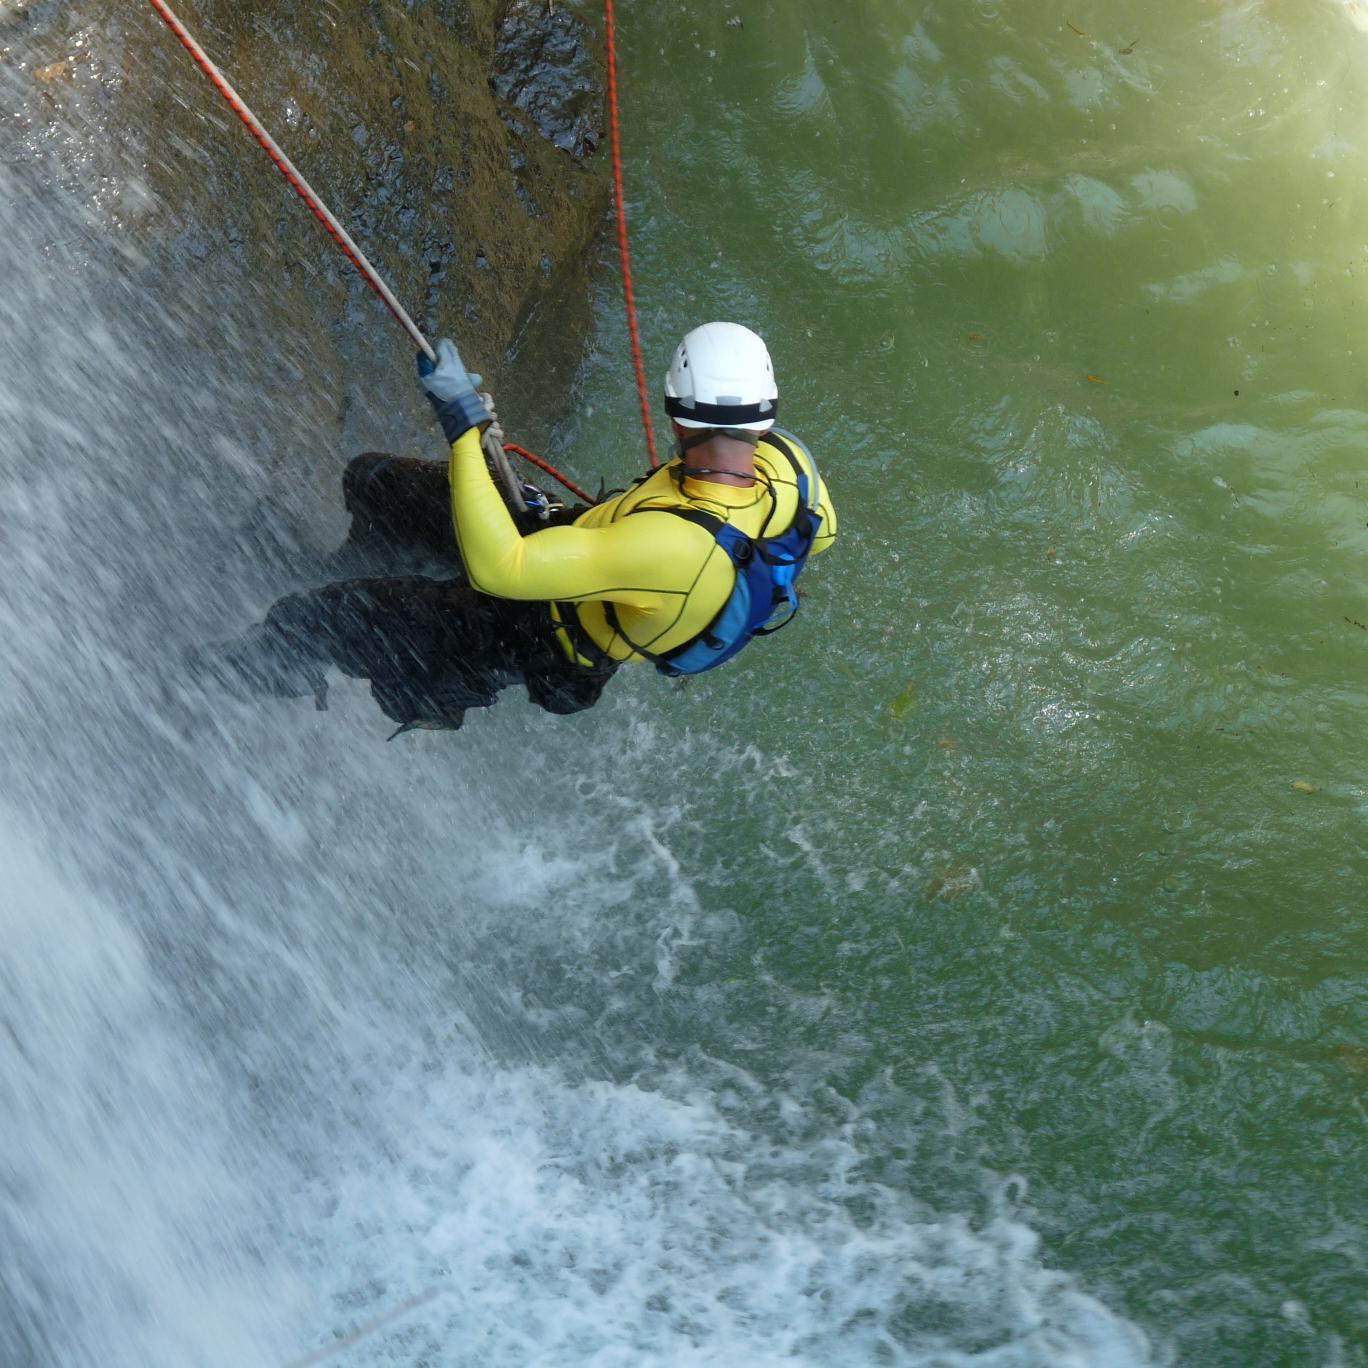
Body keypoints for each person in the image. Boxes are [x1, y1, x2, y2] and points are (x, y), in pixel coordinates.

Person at [205, 322, 838, 733]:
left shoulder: (670, 546)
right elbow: (821, 532)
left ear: (676, 414)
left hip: (529, 631)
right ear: (764, 415)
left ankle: (211, 684)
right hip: (568, 543)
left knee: (315, 619)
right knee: (378, 485)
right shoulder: (791, 466)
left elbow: (500, 570)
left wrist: (464, 427)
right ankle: (343, 573)